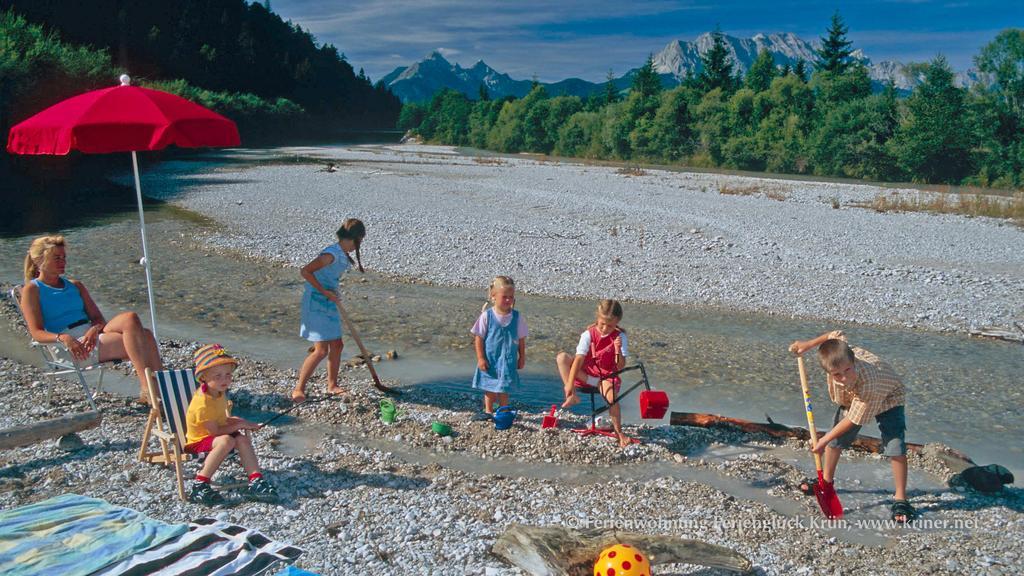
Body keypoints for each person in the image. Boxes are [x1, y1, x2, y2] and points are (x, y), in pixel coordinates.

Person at [789, 330, 915, 523]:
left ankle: (900, 498)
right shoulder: (840, 349)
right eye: (837, 375)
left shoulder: (868, 382)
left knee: (895, 446)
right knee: (836, 441)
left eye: (848, 370)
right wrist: (808, 344)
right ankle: (826, 483)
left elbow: (854, 420)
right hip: (853, 398)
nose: (844, 377)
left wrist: (824, 439)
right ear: (829, 372)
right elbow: (835, 334)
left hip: (889, 397)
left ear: (853, 360)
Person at [20, 234, 163, 403]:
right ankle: (154, 390)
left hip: (91, 335)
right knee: (144, 337)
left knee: (133, 320)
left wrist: (93, 330)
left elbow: (98, 319)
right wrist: (64, 338)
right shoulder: (32, 290)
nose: (62, 261)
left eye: (64, 257)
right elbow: (36, 333)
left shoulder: (75, 285)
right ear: (39, 261)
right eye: (56, 258)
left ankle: (156, 390)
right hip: (70, 346)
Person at [184, 343, 277, 505]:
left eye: (228, 374)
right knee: (228, 440)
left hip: (214, 436)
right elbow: (214, 432)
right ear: (203, 377)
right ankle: (199, 484)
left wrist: (244, 422)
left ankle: (256, 480)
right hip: (198, 442)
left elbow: (223, 420)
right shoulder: (202, 404)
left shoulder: (218, 393)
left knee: (241, 439)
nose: (225, 379)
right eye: (218, 376)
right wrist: (239, 425)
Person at [293, 218, 366, 403]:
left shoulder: (341, 253)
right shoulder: (331, 255)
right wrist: (325, 291)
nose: (359, 245)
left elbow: (328, 277)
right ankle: (298, 389)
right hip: (316, 302)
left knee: (337, 345)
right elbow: (305, 271)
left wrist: (331, 291)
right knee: (320, 350)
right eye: (360, 240)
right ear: (353, 238)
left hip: (329, 300)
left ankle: (332, 385)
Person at [555, 299, 631, 447]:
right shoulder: (588, 334)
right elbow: (578, 360)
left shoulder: (620, 337)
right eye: (602, 324)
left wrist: (617, 350)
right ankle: (572, 396)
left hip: (606, 377)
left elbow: (620, 366)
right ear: (597, 318)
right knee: (562, 357)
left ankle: (619, 432)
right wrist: (569, 385)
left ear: (617, 322)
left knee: (612, 399)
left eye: (610, 325)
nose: (604, 328)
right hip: (585, 374)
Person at [470, 276, 527, 418]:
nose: (508, 300)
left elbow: (521, 340)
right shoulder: (487, 316)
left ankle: (503, 411)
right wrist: (481, 358)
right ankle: (488, 411)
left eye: (511, 297)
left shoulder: (516, 317)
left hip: (508, 359)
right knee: (489, 386)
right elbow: (478, 338)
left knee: (504, 388)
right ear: (493, 296)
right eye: (504, 297)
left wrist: (522, 358)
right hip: (491, 358)